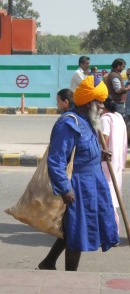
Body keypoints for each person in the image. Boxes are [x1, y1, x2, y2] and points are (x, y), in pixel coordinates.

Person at [38, 75, 119, 271]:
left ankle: (48, 262)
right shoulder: (68, 123)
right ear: (88, 102)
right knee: (77, 230)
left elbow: (81, 151)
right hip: (78, 185)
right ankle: (71, 277)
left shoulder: (88, 120)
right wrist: (65, 189)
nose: (102, 106)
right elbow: (56, 160)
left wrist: (99, 154)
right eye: (99, 102)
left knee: (73, 228)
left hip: (94, 182)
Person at [101, 96, 127, 233]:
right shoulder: (118, 117)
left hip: (107, 162)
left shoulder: (105, 118)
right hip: (116, 162)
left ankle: (111, 231)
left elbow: (104, 138)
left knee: (108, 196)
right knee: (113, 194)